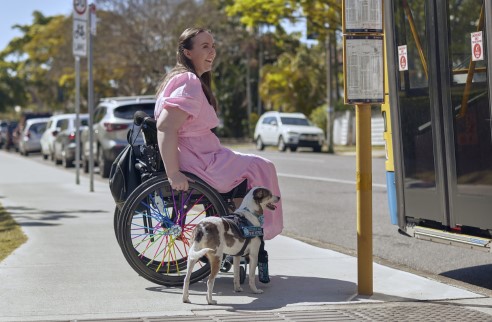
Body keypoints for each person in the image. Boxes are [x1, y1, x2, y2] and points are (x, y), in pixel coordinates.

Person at [154, 27, 283, 283]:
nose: (212, 51)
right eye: (204, 46)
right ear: (187, 52)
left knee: (250, 170)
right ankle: (253, 237)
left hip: (203, 154)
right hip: (200, 160)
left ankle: (243, 239)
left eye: (213, 45)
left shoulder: (185, 80)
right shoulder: (188, 81)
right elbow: (166, 126)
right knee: (262, 166)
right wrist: (173, 173)